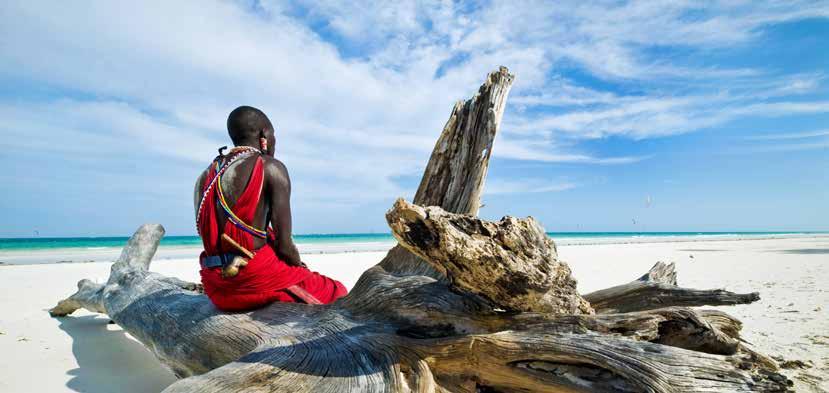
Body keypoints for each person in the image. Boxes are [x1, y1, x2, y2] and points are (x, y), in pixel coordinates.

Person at [194, 106, 347, 311]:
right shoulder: (269, 167)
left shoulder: (205, 176)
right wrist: (299, 267)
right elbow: (285, 247)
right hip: (251, 282)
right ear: (264, 134)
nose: (274, 142)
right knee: (337, 291)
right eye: (274, 136)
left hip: (216, 287)